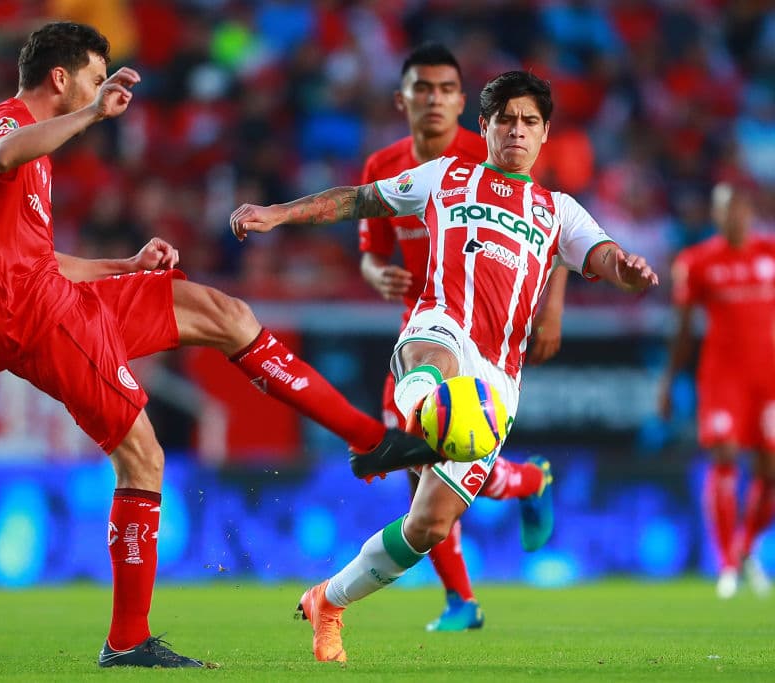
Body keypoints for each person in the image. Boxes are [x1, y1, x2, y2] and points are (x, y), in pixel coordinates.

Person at [0, 21, 436, 669]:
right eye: (95, 77)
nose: (103, 88)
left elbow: (33, 260)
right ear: (61, 80)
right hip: (42, 325)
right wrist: (93, 113)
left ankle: (367, 439)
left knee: (223, 311)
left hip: (62, 299)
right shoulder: (2, 130)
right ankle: (126, 641)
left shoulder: (33, 152)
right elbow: (3, 157)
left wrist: (124, 265)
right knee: (142, 457)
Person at [231, 70, 659, 662]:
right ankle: (406, 433)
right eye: (505, 119)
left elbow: (603, 256)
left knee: (428, 527)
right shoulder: (448, 176)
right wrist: (278, 213)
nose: (516, 130)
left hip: (498, 382)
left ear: (544, 135)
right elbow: (360, 200)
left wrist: (627, 270)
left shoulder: (559, 211)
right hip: (439, 326)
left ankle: (327, 601)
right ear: (482, 127)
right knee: (434, 358)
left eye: (529, 122)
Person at [359, 42, 567, 632]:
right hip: (424, 329)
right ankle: (469, 586)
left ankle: (468, 589)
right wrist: (379, 274)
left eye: (447, 88)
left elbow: (549, 230)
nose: (434, 98)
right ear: (402, 98)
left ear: (463, 103)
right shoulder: (383, 167)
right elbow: (371, 254)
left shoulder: (491, 151)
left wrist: (551, 313)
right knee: (424, 459)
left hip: (486, 334)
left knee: (434, 453)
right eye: (422, 88)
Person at [658, 182, 775, 599]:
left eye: (741, 209)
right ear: (717, 215)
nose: (735, 217)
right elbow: (684, 329)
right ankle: (726, 562)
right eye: (727, 210)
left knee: (769, 470)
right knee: (725, 454)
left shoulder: (770, 254)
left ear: (751, 213)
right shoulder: (698, 262)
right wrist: (669, 382)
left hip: (769, 379)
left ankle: (746, 548)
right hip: (723, 378)